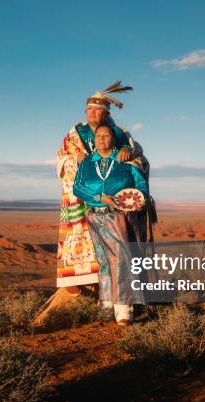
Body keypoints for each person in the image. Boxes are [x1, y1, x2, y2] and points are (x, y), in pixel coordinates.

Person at [56, 81, 150, 293]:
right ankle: (79, 278)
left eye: (98, 110)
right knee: (81, 235)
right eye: (89, 109)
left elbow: (136, 154)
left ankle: (120, 290)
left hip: (111, 198)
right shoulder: (75, 133)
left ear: (106, 114)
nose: (92, 113)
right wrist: (74, 159)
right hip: (84, 191)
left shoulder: (118, 132)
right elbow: (62, 156)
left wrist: (127, 151)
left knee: (116, 242)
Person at [73, 124, 148, 325]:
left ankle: (124, 308)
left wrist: (139, 201)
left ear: (114, 139)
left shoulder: (127, 160)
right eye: (98, 136)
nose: (102, 139)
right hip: (94, 215)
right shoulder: (87, 162)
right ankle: (106, 304)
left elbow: (141, 185)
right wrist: (99, 197)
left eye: (106, 136)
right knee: (104, 260)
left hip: (117, 216)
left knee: (121, 259)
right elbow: (77, 188)